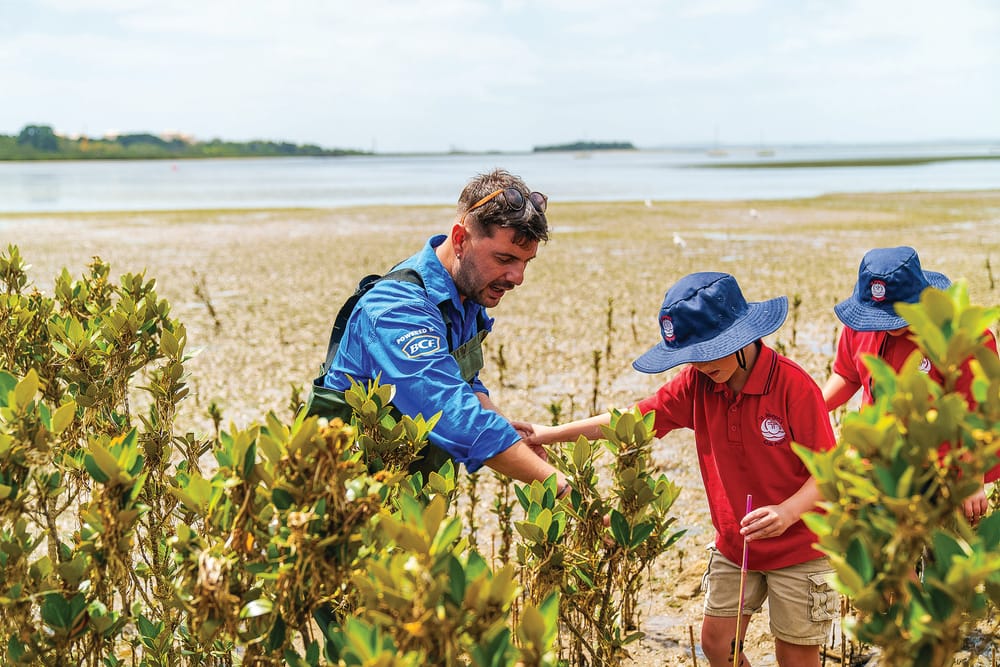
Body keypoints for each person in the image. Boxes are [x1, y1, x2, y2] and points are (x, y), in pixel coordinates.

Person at [519, 272, 838, 667]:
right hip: (736, 545)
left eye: (708, 351)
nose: (700, 365)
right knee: (717, 645)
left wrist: (787, 512)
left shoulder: (793, 386)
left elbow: (829, 473)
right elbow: (632, 419)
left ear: (740, 336)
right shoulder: (697, 385)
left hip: (800, 547)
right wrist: (547, 434)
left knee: (795, 657)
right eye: (691, 356)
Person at [308, 168, 569, 492]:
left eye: (525, 262)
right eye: (505, 258)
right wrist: (563, 488)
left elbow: (465, 383)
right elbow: (455, 415)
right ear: (460, 240)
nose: (518, 277)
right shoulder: (398, 310)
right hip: (340, 500)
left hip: (404, 498)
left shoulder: (467, 294)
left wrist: (511, 436)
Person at [822, 246, 999, 523]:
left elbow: (978, 411)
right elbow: (847, 375)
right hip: (878, 466)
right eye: (880, 315)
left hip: (941, 472)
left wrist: (972, 480)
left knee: (941, 559)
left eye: (898, 313)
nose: (888, 324)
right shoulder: (861, 324)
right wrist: (810, 409)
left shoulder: (961, 336)